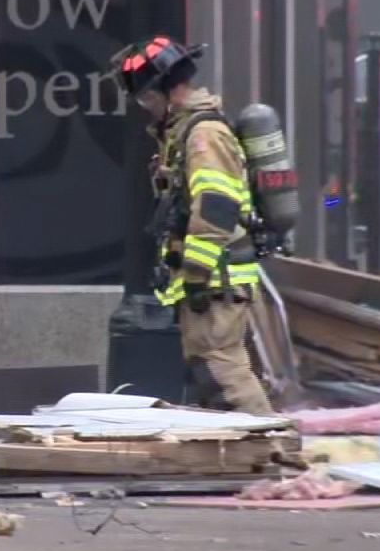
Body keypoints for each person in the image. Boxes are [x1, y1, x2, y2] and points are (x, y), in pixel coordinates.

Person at [113, 36, 275, 415]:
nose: (146, 107)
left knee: (223, 368)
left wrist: (197, 273)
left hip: (216, 277)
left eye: (146, 98)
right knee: (210, 371)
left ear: (162, 91)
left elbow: (216, 206)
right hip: (211, 278)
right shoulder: (184, 132)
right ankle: (240, 445)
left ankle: (269, 440)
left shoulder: (203, 135)